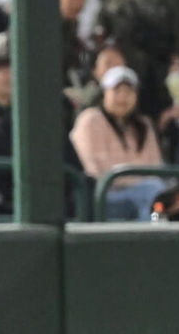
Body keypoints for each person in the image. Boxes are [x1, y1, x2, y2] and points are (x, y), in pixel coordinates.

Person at [70, 66, 165, 219]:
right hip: (104, 196)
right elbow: (92, 170)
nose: (123, 97)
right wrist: (134, 178)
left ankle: (153, 233)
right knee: (152, 191)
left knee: (159, 196)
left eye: (129, 91)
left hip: (144, 192)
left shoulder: (144, 125)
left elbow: (155, 166)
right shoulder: (89, 120)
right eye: (117, 90)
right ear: (104, 93)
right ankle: (151, 236)